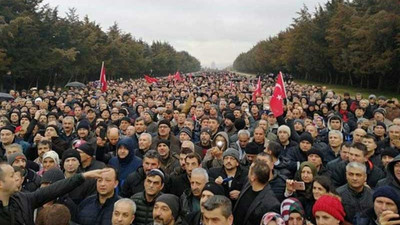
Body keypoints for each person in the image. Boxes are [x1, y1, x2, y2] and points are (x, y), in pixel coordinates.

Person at [0, 162, 111, 225]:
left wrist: (83, 176)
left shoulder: (22, 200)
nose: (17, 178)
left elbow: (53, 190)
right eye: (11, 176)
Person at [233, 159, 280, 225]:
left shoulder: (271, 204)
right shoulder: (248, 184)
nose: (247, 173)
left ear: (253, 177)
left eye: (249, 170)